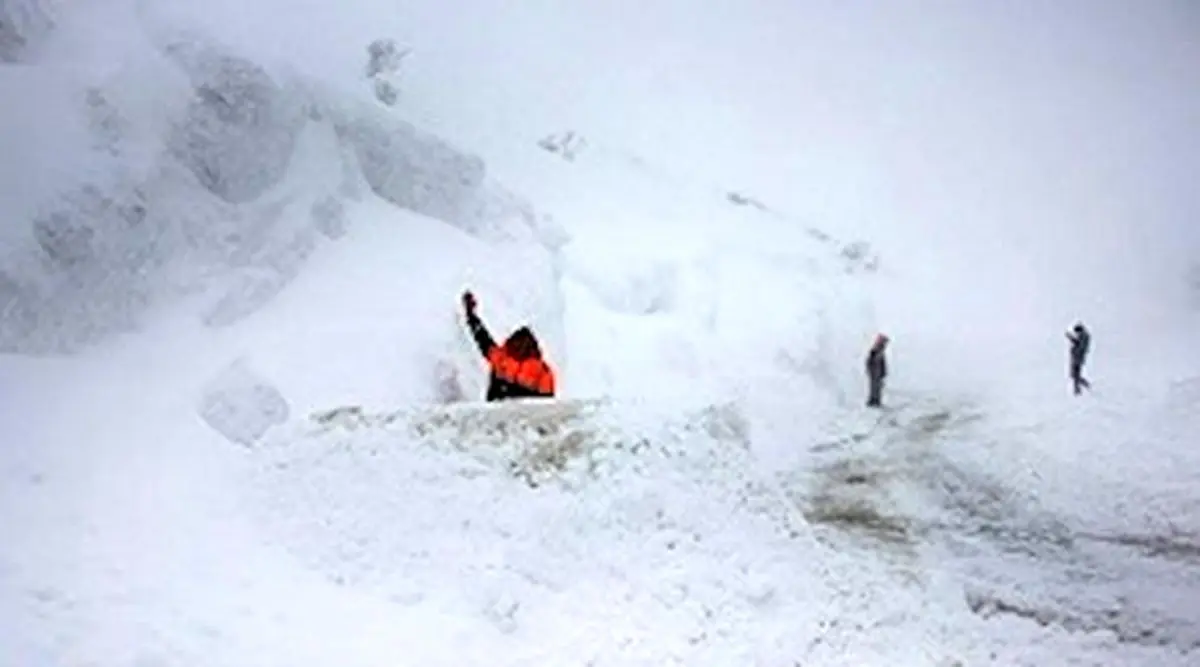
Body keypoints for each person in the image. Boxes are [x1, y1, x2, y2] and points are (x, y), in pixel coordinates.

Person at [461, 290, 556, 402]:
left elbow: (548, 406)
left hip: (523, 416)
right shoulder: (501, 357)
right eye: (517, 343)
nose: (520, 347)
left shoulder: (542, 371)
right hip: (495, 412)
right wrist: (471, 315)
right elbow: (482, 337)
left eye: (525, 345)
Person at [1066, 322, 1092, 395]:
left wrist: (1070, 338)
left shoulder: (1083, 336)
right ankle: (1081, 388)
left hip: (1078, 357)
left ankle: (1079, 390)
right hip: (1077, 357)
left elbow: (1078, 344)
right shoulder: (1084, 336)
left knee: (1075, 375)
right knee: (1075, 375)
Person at [865, 333, 889, 408]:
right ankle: (873, 401)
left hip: (877, 372)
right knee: (875, 387)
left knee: (877, 387)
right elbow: (870, 361)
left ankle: (876, 400)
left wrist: (883, 372)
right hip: (875, 372)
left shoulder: (880, 350)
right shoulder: (875, 350)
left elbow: (882, 363)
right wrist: (871, 370)